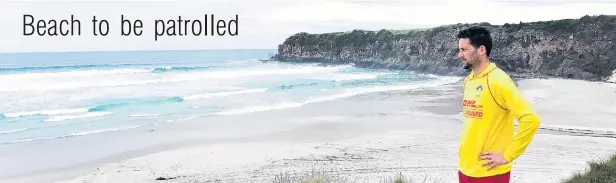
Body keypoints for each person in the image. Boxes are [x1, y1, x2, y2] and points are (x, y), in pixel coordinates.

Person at [455, 26, 541, 183]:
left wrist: (507, 155)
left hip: (490, 172)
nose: (459, 55)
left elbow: (531, 119)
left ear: (481, 50)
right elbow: (473, 122)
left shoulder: (499, 81)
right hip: (466, 168)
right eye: (459, 50)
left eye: (464, 50)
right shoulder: (469, 81)